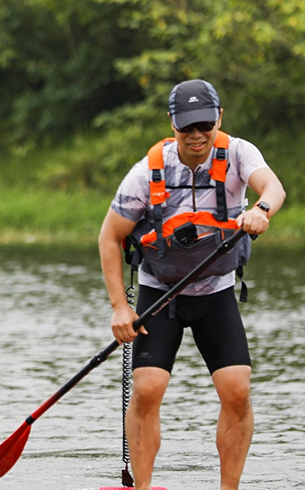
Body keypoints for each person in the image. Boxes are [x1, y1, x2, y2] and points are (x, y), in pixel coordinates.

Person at [97, 79, 286, 490]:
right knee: (148, 389)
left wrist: (262, 208)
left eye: (205, 124)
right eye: (187, 127)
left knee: (236, 389)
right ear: (172, 124)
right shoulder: (146, 174)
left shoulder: (238, 154)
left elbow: (273, 186)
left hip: (216, 292)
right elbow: (109, 237)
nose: (197, 135)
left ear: (219, 117)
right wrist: (118, 307)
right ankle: (143, 488)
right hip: (159, 294)